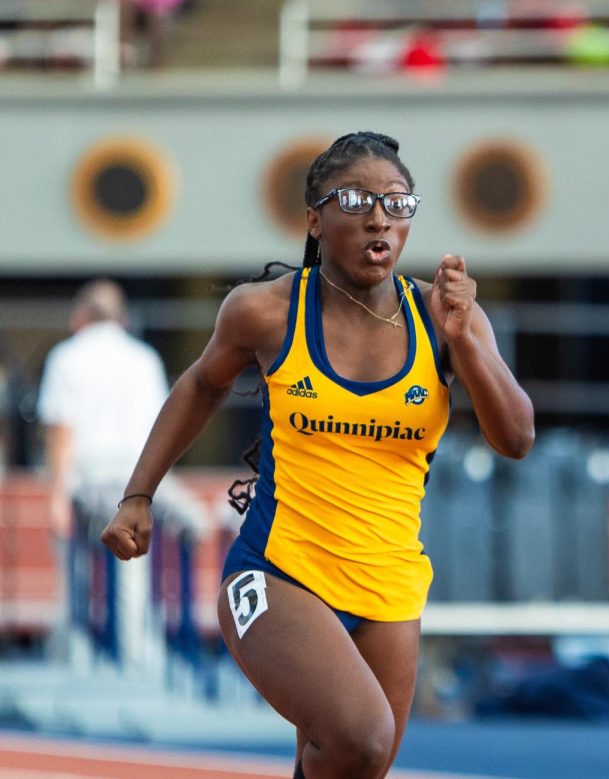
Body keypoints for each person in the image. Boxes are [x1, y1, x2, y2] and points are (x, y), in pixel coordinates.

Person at [100, 131, 535, 779]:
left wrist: (466, 341)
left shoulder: (441, 318)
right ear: (314, 218)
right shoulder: (266, 312)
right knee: (359, 736)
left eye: (396, 202)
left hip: (389, 587)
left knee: (351, 763)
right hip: (279, 572)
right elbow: (200, 384)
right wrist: (139, 494)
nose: (378, 217)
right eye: (356, 199)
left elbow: (516, 437)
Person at [37, 279, 202, 672]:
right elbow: (162, 430)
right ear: (123, 319)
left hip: (88, 472)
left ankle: (76, 658)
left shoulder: (66, 356)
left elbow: (61, 430)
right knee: (133, 573)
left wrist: (58, 496)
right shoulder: (144, 358)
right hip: (136, 475)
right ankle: (137, 659)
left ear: (80, 317)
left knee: (76, 572)